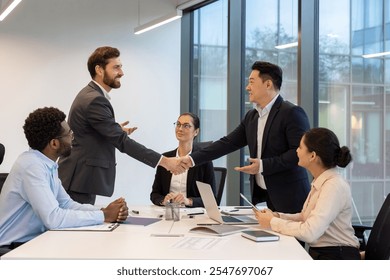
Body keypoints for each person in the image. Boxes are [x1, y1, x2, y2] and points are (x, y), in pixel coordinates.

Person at [58, 46, 185, 205]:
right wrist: (165, 161)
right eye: (116, 67)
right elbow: (122, 142)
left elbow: (92, 130)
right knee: (78, 227)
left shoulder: (90, 94)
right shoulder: (95, 100)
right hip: (78, 180)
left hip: (77, 178)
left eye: (121, 67)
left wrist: (115, 128)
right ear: (99, 70)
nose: (121, 73)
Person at [183, 61, 310, 213]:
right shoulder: (252, 116)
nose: (247, 87)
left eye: (251, 82)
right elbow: (227, 143)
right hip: (268, 198)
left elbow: (298, 154)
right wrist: (191, 159)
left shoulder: (292, 113)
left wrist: (262, 165)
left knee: (292, 238)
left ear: (268, 84)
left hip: (291, 197)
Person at [0, 107, 129, 249]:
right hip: (10, 249)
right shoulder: (32, 166)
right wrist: (104, 216)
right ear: (54, 143)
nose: (73, 137)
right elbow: (53, 219)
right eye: (69, 133)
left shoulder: (46, 164)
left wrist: (101, 212)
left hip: (30, 243)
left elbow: (66, 204)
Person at [254, 127, 360, 260]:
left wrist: (272, 222)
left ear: (312, 156)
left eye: (300, 147)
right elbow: (305, 217)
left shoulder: (333, 186)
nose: (297, 151)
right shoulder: (322, 181)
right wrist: (277, 216)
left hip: (337, 256)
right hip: (326, 253)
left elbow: (310, 232)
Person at [150, 113, 215, 207]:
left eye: (186, 126)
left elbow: (212, 199)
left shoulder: (203, 160)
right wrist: (164, 200)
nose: (180, 129)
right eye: (178, 124)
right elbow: (154, 194)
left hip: (193, 215)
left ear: (196, 132)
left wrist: (188, 201)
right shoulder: (166, 159)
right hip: (168, 212)